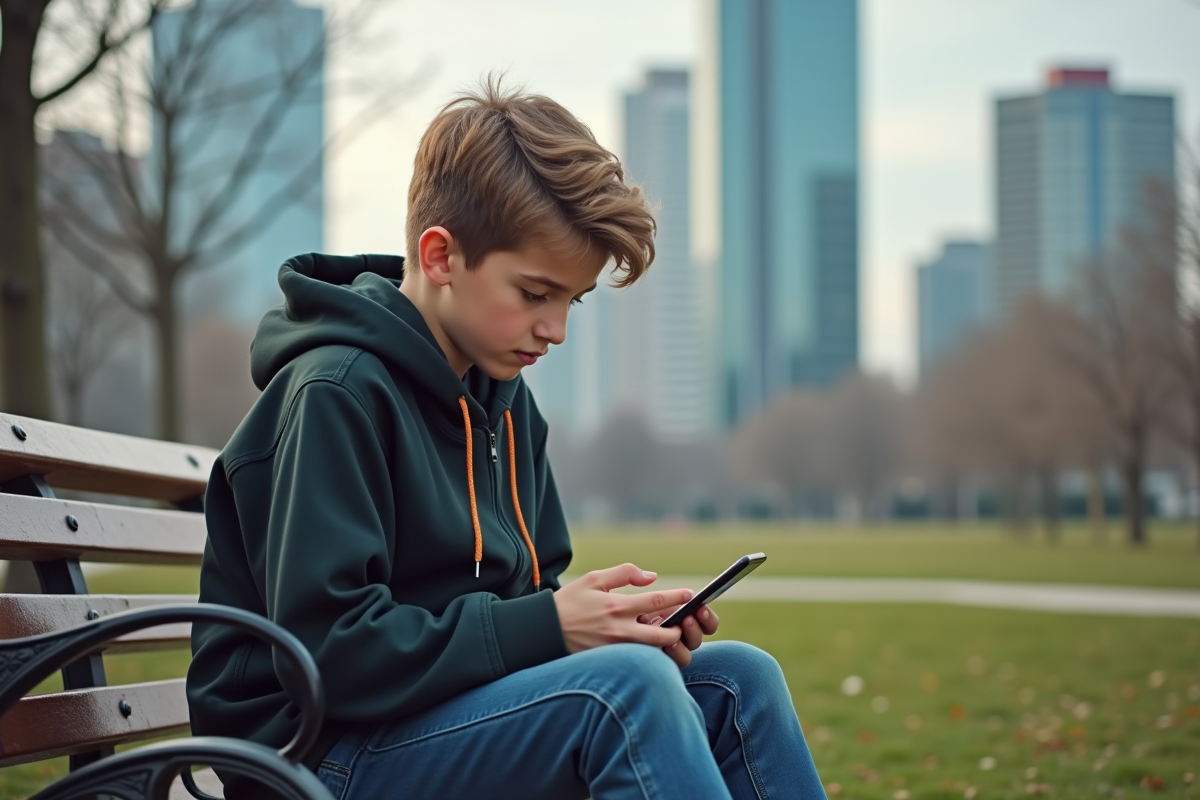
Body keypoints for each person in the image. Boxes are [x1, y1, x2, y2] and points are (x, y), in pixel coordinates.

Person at [186, 78, 826, 800]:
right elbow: (332, 655)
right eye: (534, 294)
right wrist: (551, 627)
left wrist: (610, 628)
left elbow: (526, 597)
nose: (555, 329)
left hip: (431, 723)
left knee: (740, 681)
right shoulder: (336, 392)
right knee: (623, 693)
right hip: (312, 757)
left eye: (571, 301)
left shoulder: (505, 403)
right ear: (439, 258)